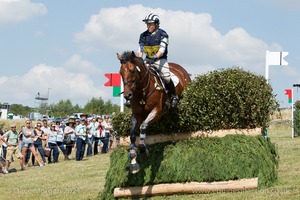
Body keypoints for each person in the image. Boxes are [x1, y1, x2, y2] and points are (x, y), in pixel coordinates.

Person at [136, 13, 179, 108]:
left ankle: (174, 96)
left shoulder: (163, 34)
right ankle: (135, 98)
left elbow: (162, 49)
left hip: (160, 59)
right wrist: (139, 60)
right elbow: (141, 49)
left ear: (156, 24)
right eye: (147, 24)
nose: (149, 26)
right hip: (147, 59)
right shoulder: (143, 35)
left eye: (151, 24)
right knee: (139, 75)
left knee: (166, 77)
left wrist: (155, 57)